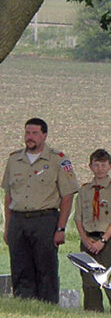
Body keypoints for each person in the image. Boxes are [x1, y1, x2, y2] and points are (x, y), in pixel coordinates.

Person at [2, 118, 79, 303]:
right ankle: (25, 308)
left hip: (45, 220)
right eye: (27, 133)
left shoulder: (57, 160)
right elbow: (8, 196)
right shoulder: (14, 160)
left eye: (35, 133)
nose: (30, 137)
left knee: (46, 269)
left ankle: (47, 308)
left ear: (44, 135)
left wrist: (61, 228)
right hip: (19, 220)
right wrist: (8, 227)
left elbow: (67, 196)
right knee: (20, 269)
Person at [74, 149, 111, 314]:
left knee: (110, 277)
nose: (100, 169)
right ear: (90, 167)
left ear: (110, 166)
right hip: (88, 239)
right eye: (96, 165)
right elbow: (78, 218)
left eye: (103, 165)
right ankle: (93, 312)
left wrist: (103, 240)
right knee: (89, 280)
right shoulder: (84, 190)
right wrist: (84, 239)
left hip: (106, 240)